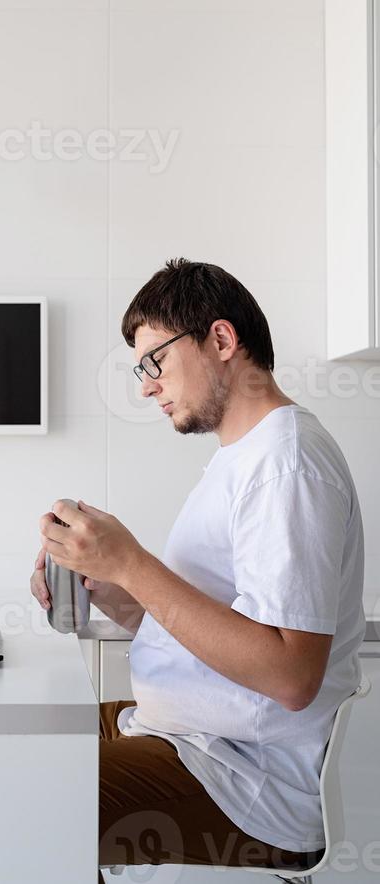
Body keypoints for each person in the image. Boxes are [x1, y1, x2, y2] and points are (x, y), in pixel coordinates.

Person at [30, 259, 366, 880]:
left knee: (6, 797)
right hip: (186, 735)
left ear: (220, 339)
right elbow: (210, 630)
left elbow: (290, 674)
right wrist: (112, 584)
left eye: (154, 360)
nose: (146, 386)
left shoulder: (286, 464)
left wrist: (133, 561)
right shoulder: (244, 456)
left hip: (242, 782)